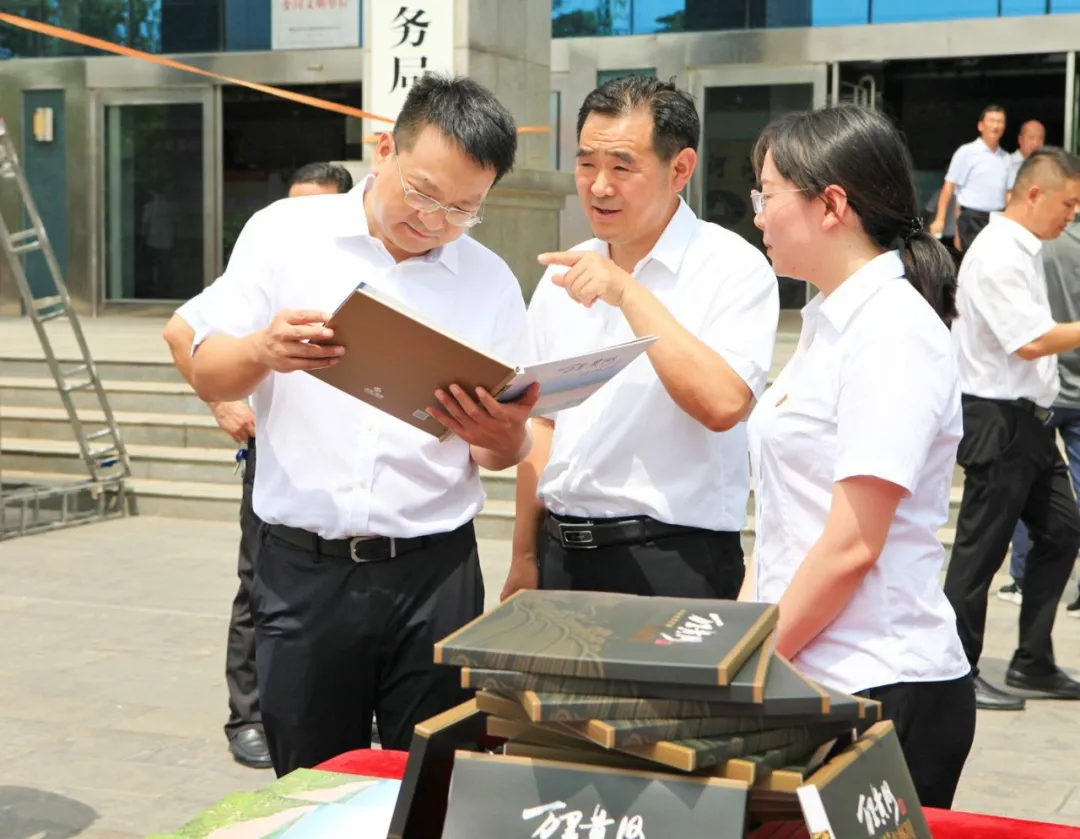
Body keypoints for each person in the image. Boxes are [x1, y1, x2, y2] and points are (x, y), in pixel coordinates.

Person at [186, 73, 539, 776]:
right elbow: (208, 370)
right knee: (311, 785)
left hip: (434, 575)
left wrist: (498, 431)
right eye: (423, 193)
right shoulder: (286, 232)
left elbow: (505, 449)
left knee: (434, 781)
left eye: (464, 209)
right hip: (302, 573)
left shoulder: (490, 278)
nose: (436, 221)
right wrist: (263, 351)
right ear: (385, 149)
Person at [741, 103, 975, 809]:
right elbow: (790, 523)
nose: (756, 214)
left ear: (831, 204)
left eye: (767, 193)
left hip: (880, 685)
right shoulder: (830, 321)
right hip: (808, 674)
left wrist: (743, 664)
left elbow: (851, 544)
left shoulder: (891, 332)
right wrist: (740, 639)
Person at [503, 75, 779, 602]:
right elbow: (540, 421)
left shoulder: (732, 268)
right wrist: (524, 556)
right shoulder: (561, 273)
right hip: (560, 554)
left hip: (673, 559)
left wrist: (627, 293)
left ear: (681, 169)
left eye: (622, 166)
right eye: (586, 164)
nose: (599, 185)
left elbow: (723, 404)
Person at [162, 162, 354, 770]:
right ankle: (248, 715)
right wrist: (224, 401)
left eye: (317, 208)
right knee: (258, 585)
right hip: (280, 464)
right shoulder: (274, 261)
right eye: (294, 207)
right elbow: (180, 331)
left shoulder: (365, 269)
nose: (302, 221)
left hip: (349, 477)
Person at [945, 147, 1080, 711]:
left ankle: (1031, 662)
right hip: (997, 420)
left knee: (1063, 530)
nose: (1071, 215)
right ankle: (954, 672)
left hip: (1028, 420)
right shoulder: (999, 252)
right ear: (1034, 194)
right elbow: (1027, 341)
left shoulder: (1022, 250)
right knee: (979, 555)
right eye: (1068, 203)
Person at [1001, 213, 1080, 616]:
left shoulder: (1037, 247)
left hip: (1044, 392)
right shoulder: (1023, 247)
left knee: (1040, 505)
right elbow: (1029, 337)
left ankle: (1019, 578)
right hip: (1047, 394)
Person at [930, 105, 1010, 253]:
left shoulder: (1006, 158)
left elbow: (1008, 194)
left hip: (997, 219)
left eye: (1000, 122)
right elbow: (949, 187)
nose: (996, 125)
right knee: (973, 261)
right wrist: (940, 219)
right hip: (971, 219)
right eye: (992, 121)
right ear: (981, 126)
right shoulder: (966, 152)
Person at [1007, 120, 1047, 197]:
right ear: (1020, 139)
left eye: (1040, 138)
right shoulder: (1007, 163)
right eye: (1031, 138)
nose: (1036, 143)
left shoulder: (1045, 167)